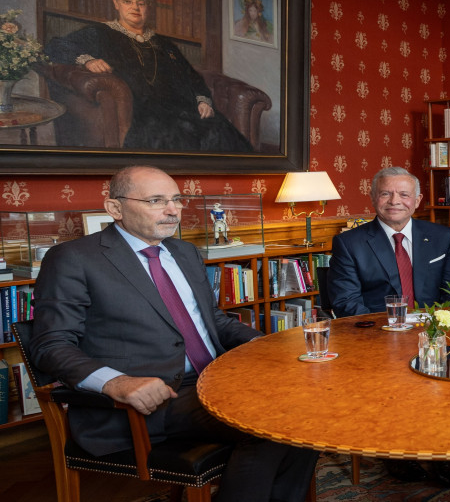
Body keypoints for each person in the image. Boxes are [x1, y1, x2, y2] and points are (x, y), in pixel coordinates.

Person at [28, 165, 318, 502]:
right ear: (115, 208)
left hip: (216, 380)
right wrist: (117, 382)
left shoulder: (185, 252)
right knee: (269, 424)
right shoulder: (74, 258)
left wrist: (264, 343)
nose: (172, 210)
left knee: (310, 408)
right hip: (147, 401)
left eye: (176, 200)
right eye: (156, 200)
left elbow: (213, 321)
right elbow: (51, 345)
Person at [326, 166, 450, 486]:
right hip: (377, 338)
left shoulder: (442, 236)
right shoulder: (349, 243)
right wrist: (389, 333)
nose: (394, 201)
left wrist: (433, 330)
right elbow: (346, 303)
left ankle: (444, 451)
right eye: (386, 193)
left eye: (403, 194)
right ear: (373, 198)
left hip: (434, 334)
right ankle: (398, 452)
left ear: (418, 200)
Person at [44, 0, 254, 152]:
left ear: (148, 8)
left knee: (220, 130)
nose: (135, 7)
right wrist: (88, 60)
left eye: (141, 3)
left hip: (183, 109)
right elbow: (55, 46)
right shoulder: (100, 33)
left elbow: (191, 76)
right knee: (176, 135)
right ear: (116, 3)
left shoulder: (164, 43)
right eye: (127, 1)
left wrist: (203, 100)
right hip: (143, 114)